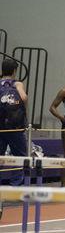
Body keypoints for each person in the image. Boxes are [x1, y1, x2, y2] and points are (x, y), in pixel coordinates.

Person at [0, 58, 28, 186]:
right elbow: (24, 97)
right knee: (19, 156)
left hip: (0, 127)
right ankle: (15, 185)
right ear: (14, 71)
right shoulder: (17, 84)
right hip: (15, 127)